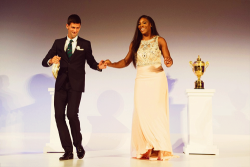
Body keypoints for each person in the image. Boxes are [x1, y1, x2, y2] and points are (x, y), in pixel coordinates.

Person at [105, 15, 177, 161]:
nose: (141, 25)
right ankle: (146, 148)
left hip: (157, 78)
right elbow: (126, 61)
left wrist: (169, 62)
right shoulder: (135, 44)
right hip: (141, 79)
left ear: (151, 24)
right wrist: (110, 63)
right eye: (139, 24)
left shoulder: (160, 40)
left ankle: (161, 148)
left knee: (157, 112)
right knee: (141, 112)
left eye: (144, 23)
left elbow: (167, 59)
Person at [42, 14, 106, 160]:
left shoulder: (85, 44)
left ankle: (78, 145)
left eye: (77, 28)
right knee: (59, 116)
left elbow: (91, 62)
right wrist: (51, 61)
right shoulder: (58, 43)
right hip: (61, 85)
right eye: (73, 27)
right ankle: (68, 150)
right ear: (67, 26)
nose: (75, 30)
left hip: (76, 85)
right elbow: (44, 61)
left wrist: (98, 66)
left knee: (71, 114)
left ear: (80, 27)